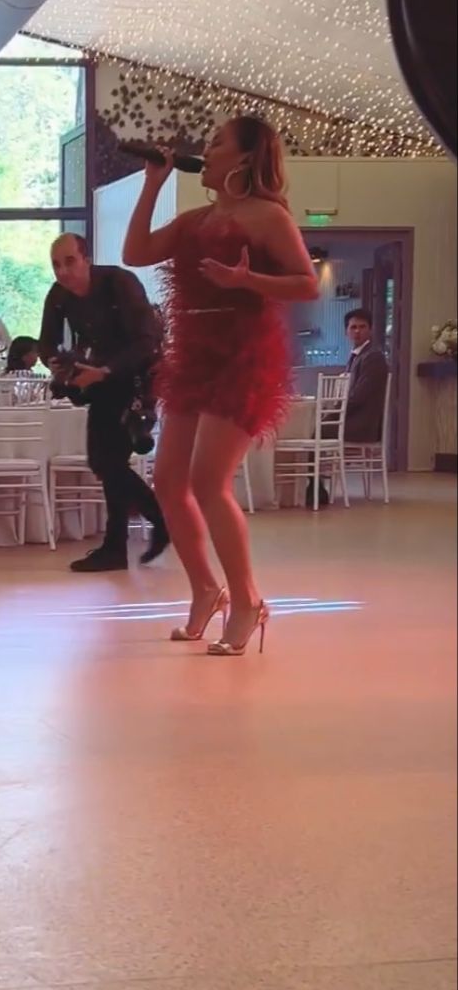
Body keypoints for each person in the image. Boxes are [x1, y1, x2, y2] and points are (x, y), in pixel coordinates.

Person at [123, 116, 317, 655]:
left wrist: (246, 279)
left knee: (209, 482)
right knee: (168, 482)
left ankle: (248, 600)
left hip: (242, 354)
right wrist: (152, 183)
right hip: (193, 355)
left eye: (216, 143)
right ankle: (207, 590)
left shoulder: (268, 216)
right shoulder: (194, 220)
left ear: (246, 158)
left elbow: (305, 283)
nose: (205, 152)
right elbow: (135, 253)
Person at [38, 234, 169, 574]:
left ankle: (147, 528)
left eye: (69, 261)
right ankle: (124, 542)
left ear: (87, 259)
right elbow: (46, 344)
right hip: (99, 382)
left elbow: (147, 342)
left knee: (107, 462)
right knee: (106, 463)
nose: (62, 271)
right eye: (56, 264)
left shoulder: (120, 283)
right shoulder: (58, 295)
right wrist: (58, 364)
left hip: (135, 378)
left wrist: (105, 370)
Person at [342, 308, 389, 444]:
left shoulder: (373, 357)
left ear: (370, 330)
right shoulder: (357, 356)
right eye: (353, 327)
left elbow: (359, 396)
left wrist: (336, 410)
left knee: (313, 429)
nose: (357, 331)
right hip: (352, 420)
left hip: (362, 425)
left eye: (362, 327)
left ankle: (316, 460)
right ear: (346, 332)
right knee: (314, 425)